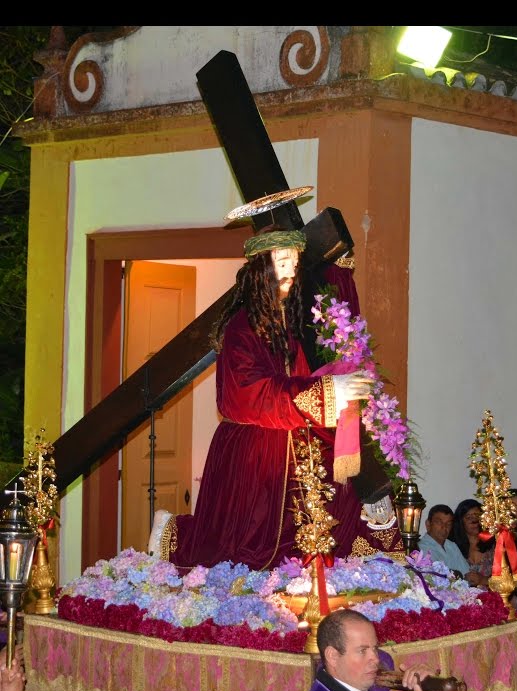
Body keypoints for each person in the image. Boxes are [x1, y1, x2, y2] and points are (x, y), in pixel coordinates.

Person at [151, 226, 403, 570]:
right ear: (261, 269)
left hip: (304, 440)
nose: (291, 269)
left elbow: (336, 337)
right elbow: (249, 394)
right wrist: (327, 392)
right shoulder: (241, 328)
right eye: (281, 261)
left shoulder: (297, 319)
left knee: (346, 502)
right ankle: (174, 534)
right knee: (250, 550)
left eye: (295, 261)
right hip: (256, 454)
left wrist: (340, 274)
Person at [309, 608, 435, 691]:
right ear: (333, 656)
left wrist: (430, 686)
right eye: (362, 651)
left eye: (375, 648)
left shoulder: (363, 686)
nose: (376, 659)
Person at [450, 498, 495, 588]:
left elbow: (505, 579)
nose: (475, 521)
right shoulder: (452, 547)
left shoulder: (494, 542)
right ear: (461, 522)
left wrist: (483, 580)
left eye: (478, 516)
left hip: (494, 597)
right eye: (469, 518)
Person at [420, 504, 470, 579]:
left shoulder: (452, 545)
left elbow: (467, 575)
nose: (444, 527)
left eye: (448, 524)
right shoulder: (420, 548)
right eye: (439, 522)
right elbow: (437, 578)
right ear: (428, 524)